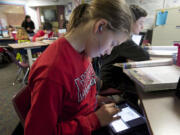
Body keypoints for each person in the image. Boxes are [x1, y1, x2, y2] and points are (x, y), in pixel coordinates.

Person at [24, 1, 133, 135]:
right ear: (100, 26)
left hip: (88, 118)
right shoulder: (52, 72)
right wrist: (94, 120)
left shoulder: (85, 51)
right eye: (112, 43)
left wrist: (94, 100)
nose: (109, 52)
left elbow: (78, 92)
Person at [99, 5, 150, 93]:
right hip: (109, 81)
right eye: (141, 23)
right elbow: (145, 56)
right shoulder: (124, 40)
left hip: (105, 76)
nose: (142, 27)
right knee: (138, 89)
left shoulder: (122, 36)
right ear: (130, 22)